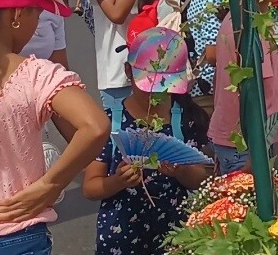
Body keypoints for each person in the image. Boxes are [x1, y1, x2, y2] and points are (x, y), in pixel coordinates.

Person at [0, 0, 109, 255]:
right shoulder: (35, 74)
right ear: (16, 14)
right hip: (16, 232)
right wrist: (52, 184)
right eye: (37, 14)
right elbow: (95, 127)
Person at [82, 29, 211, 255]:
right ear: (127, 72)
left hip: (174, 233)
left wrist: (181, 171)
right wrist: (118, 182)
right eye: (149, 86)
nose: (156, 95)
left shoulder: (187, 119)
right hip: (121, 235)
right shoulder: (110, 122)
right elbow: (90, 187)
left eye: (165, 86)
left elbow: (201, 181)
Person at [209, 0, 278, 173]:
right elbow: (257, 92)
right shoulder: (251, 26)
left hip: (238, 136)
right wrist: (259, 150)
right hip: (245, 141)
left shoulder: (246, 19)